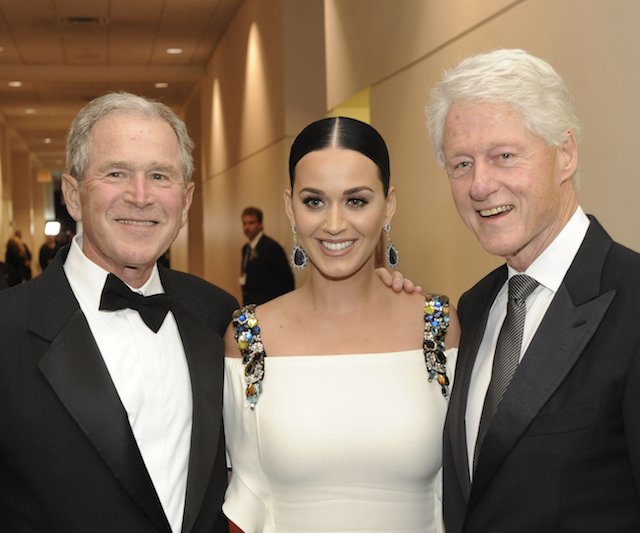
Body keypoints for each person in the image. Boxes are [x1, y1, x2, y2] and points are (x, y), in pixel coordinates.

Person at [0, 92, 237, 533]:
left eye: (160, 176)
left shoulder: (218, 316)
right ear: (73, 196)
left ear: (185, 202)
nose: (141, 196)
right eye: (116, 173)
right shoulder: (6, 329)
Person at [425, 49, 640, 532]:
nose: (480, 185)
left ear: (565, 154)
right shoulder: (475, 307)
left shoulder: (633, 302)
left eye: (504, 156)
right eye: (461, 164)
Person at [222, 116, 460, 533]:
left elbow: (460, 487)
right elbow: (245, 498)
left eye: (356, 201)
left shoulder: (437, 327)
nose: (334, 224)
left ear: (389, 205)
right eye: (314, 201)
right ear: (289, 206)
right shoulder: (248, 338)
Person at [240, 206, 294, 306]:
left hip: (268, 306)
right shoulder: (246, 249)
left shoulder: (272, 248)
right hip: (251, 307)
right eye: (244, 223)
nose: (247, 227)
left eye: (251, 223)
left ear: (260, 224)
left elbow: (286, 283)